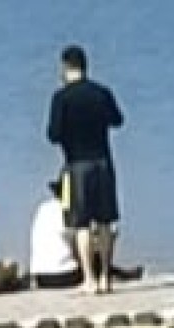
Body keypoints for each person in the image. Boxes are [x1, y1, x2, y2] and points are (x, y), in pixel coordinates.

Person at [46, 44, 125, 293]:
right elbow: (118, 120)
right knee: (105, 222)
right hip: (102, 161)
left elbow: (53, 135)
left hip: (76, 164)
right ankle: (105, 277)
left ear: (65, 66)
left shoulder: (61, 98)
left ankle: (89, 279)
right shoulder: (101, 92)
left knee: (80, 224)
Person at [27, 179, 144, 290]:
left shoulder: (43, 207)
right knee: (94, 256)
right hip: (63, 276)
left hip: (40, 277)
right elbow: (80, 246)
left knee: (89, 252)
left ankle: (121, 274)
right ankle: (119, 275)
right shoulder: (69, 211)